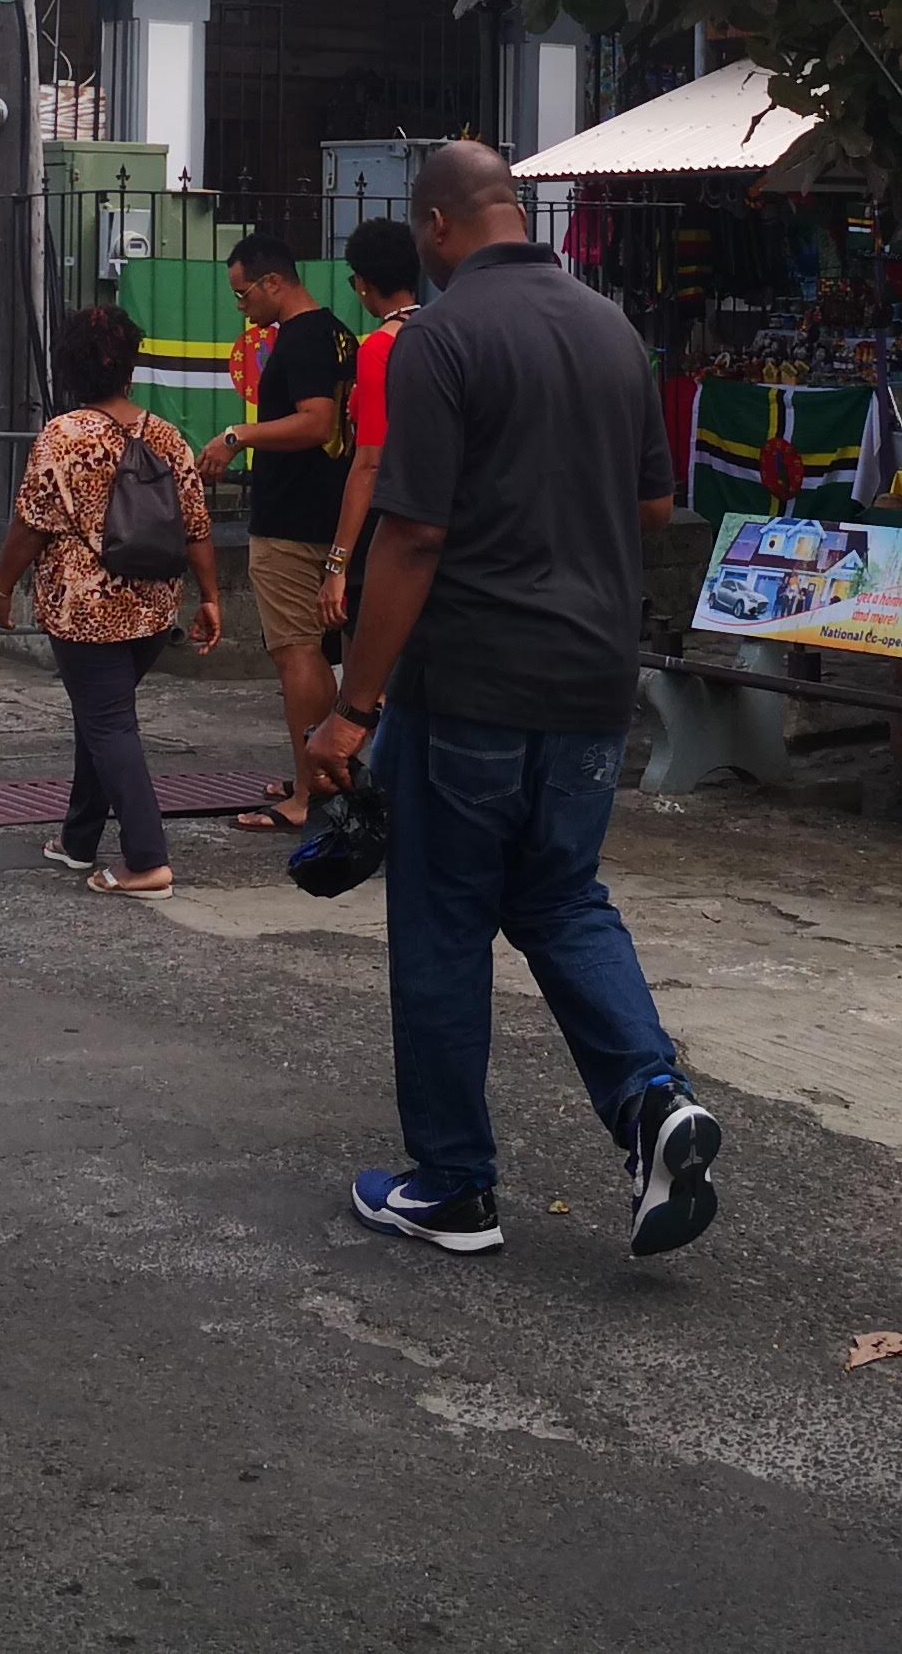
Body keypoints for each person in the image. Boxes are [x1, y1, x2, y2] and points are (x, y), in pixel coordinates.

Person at [302, 140, 723, 1261]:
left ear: (437, 225)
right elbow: (653, 506)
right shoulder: (612, 329)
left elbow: (413, 535)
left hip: (470, 684)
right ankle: (652, 1102)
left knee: (442, 921)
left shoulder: (441, 339)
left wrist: (353, 705)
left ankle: (453, 1185)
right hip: (592, 681)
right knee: (562, 898)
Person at [0, 302, 224, 897]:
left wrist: (0, 587)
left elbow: (30, 525)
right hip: (153, 609)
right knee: (100, 716)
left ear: (70, 368)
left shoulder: (62, 436)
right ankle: (79, 838)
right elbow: (197, 527)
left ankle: (147, 858)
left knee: (110, 723)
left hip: (84, 612)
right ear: (129, 368)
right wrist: (211, 597)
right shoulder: (166, 436)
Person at [197, 230, 351, 833]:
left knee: (297, 650)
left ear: (273, 282)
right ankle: (318, 777)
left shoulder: (305, 336)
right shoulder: (336, 332)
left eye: (243, 294)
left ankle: (311, 793)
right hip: (325, 510)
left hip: (293, 518)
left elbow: (316, 422)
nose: (242, 307)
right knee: (320, 652)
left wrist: (237, 436)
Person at [319, 217, 425, 635]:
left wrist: (336, 565)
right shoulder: (439, 333)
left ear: (364, 283)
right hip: (439, 513)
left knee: (365, 654)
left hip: (386, 524)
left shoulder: (380, 347)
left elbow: (369, 462)